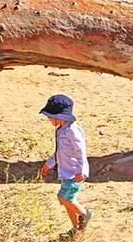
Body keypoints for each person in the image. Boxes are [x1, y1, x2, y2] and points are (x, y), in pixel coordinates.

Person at [39, 94, 93, 233]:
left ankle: (84, 214)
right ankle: (76, 229)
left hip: (75, 173)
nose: (49, 119)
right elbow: (58, 152)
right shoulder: (61, 130)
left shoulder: (72, 130)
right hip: (65, 172)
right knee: (66, 200)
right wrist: (48, 164)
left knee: (65, 198)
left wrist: (81, 171)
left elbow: (80, 151)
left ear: (59, 116)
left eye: (50, 116)